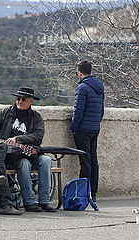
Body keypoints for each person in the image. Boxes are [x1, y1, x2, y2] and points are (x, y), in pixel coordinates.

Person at [0, 87, 56, 212]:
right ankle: (29, 203)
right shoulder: (5, 113)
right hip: (11, 155)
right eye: (18, 98)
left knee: (46, 160)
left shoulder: (36, 117)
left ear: (31, 101)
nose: (20, 101)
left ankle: (44, 201)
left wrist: (18, 139)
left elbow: (38, 136)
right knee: (24, 164)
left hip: (31, 153)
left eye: (24, 99)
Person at [71, 61, 104, 202]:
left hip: (83, 129)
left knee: (85, 161)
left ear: (79, 72)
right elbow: (101, 111)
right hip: (94, 128)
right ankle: (93, 193)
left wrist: (74, 127)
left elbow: (78, 111)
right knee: (93, 160)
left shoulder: (82, 88)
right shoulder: (99, 87)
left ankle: (83, 193)